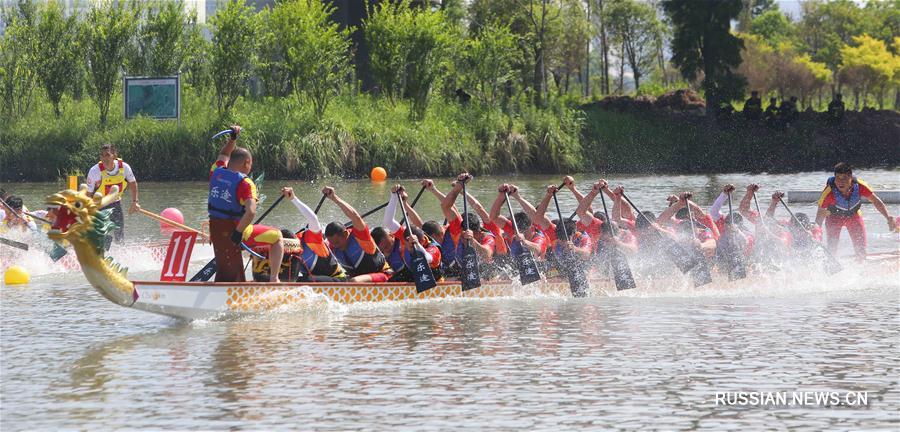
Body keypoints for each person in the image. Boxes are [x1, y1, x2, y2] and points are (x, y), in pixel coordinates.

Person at [207, 125, 283, 282]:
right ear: (247, 162)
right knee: (277, 237)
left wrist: (232, 139)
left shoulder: (216, 171)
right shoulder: (246, 183)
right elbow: (251, 212)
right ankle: (274, 280)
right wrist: (238, 232)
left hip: (215, 229)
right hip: (235, 232)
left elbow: (223, 154)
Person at [816, 162, 896, 258]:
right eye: (838, 178)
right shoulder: (829, 192)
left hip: (854, 217)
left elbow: (875, 201)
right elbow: (820, 214)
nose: (840, 182)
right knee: (832, 248)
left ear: (850, 177)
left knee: (861, 250)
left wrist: (888, 217)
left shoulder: (860, 186)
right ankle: (831, 264)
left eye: (844, 178)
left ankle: (861, 265)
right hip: (833, 218)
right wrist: (816, 231)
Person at [373, 185, 442, 282]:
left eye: (411, 243)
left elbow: (427, 258)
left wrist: (416, 245)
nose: (408, 245)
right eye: (407, 242)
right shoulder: (406, 237)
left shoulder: (433, 249)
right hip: (411, 275)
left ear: (422, 241)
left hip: (432, 280)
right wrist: (394, 196)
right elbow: (388, 222)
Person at [322, 186, 389, 282]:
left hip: (383, 276)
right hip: (357, 279)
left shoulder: (361, 238)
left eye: (337, 242)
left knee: (354, 281)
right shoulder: (332, 245)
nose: (335, 245)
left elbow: (355, 217)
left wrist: (334, 198)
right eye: (332, 243)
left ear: (345, 234)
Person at [281, 187, 347, 282]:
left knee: (297, 281)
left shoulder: (310, 240)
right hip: (316, 281)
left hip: (338, 280)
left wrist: (293, 199)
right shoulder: (281, 250)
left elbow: (313, 219)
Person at [86, 143, 139, 242]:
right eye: (102, 155)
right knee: (99, 233)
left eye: (107, 155)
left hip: (115, 203)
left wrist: (135, 202)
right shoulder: (94, 171)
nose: (104, 158)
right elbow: (88, 194)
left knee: (119, 232)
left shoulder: (124, 167)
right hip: (98, 204)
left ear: (114, 155)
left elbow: (133, 183)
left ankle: (120, 251)